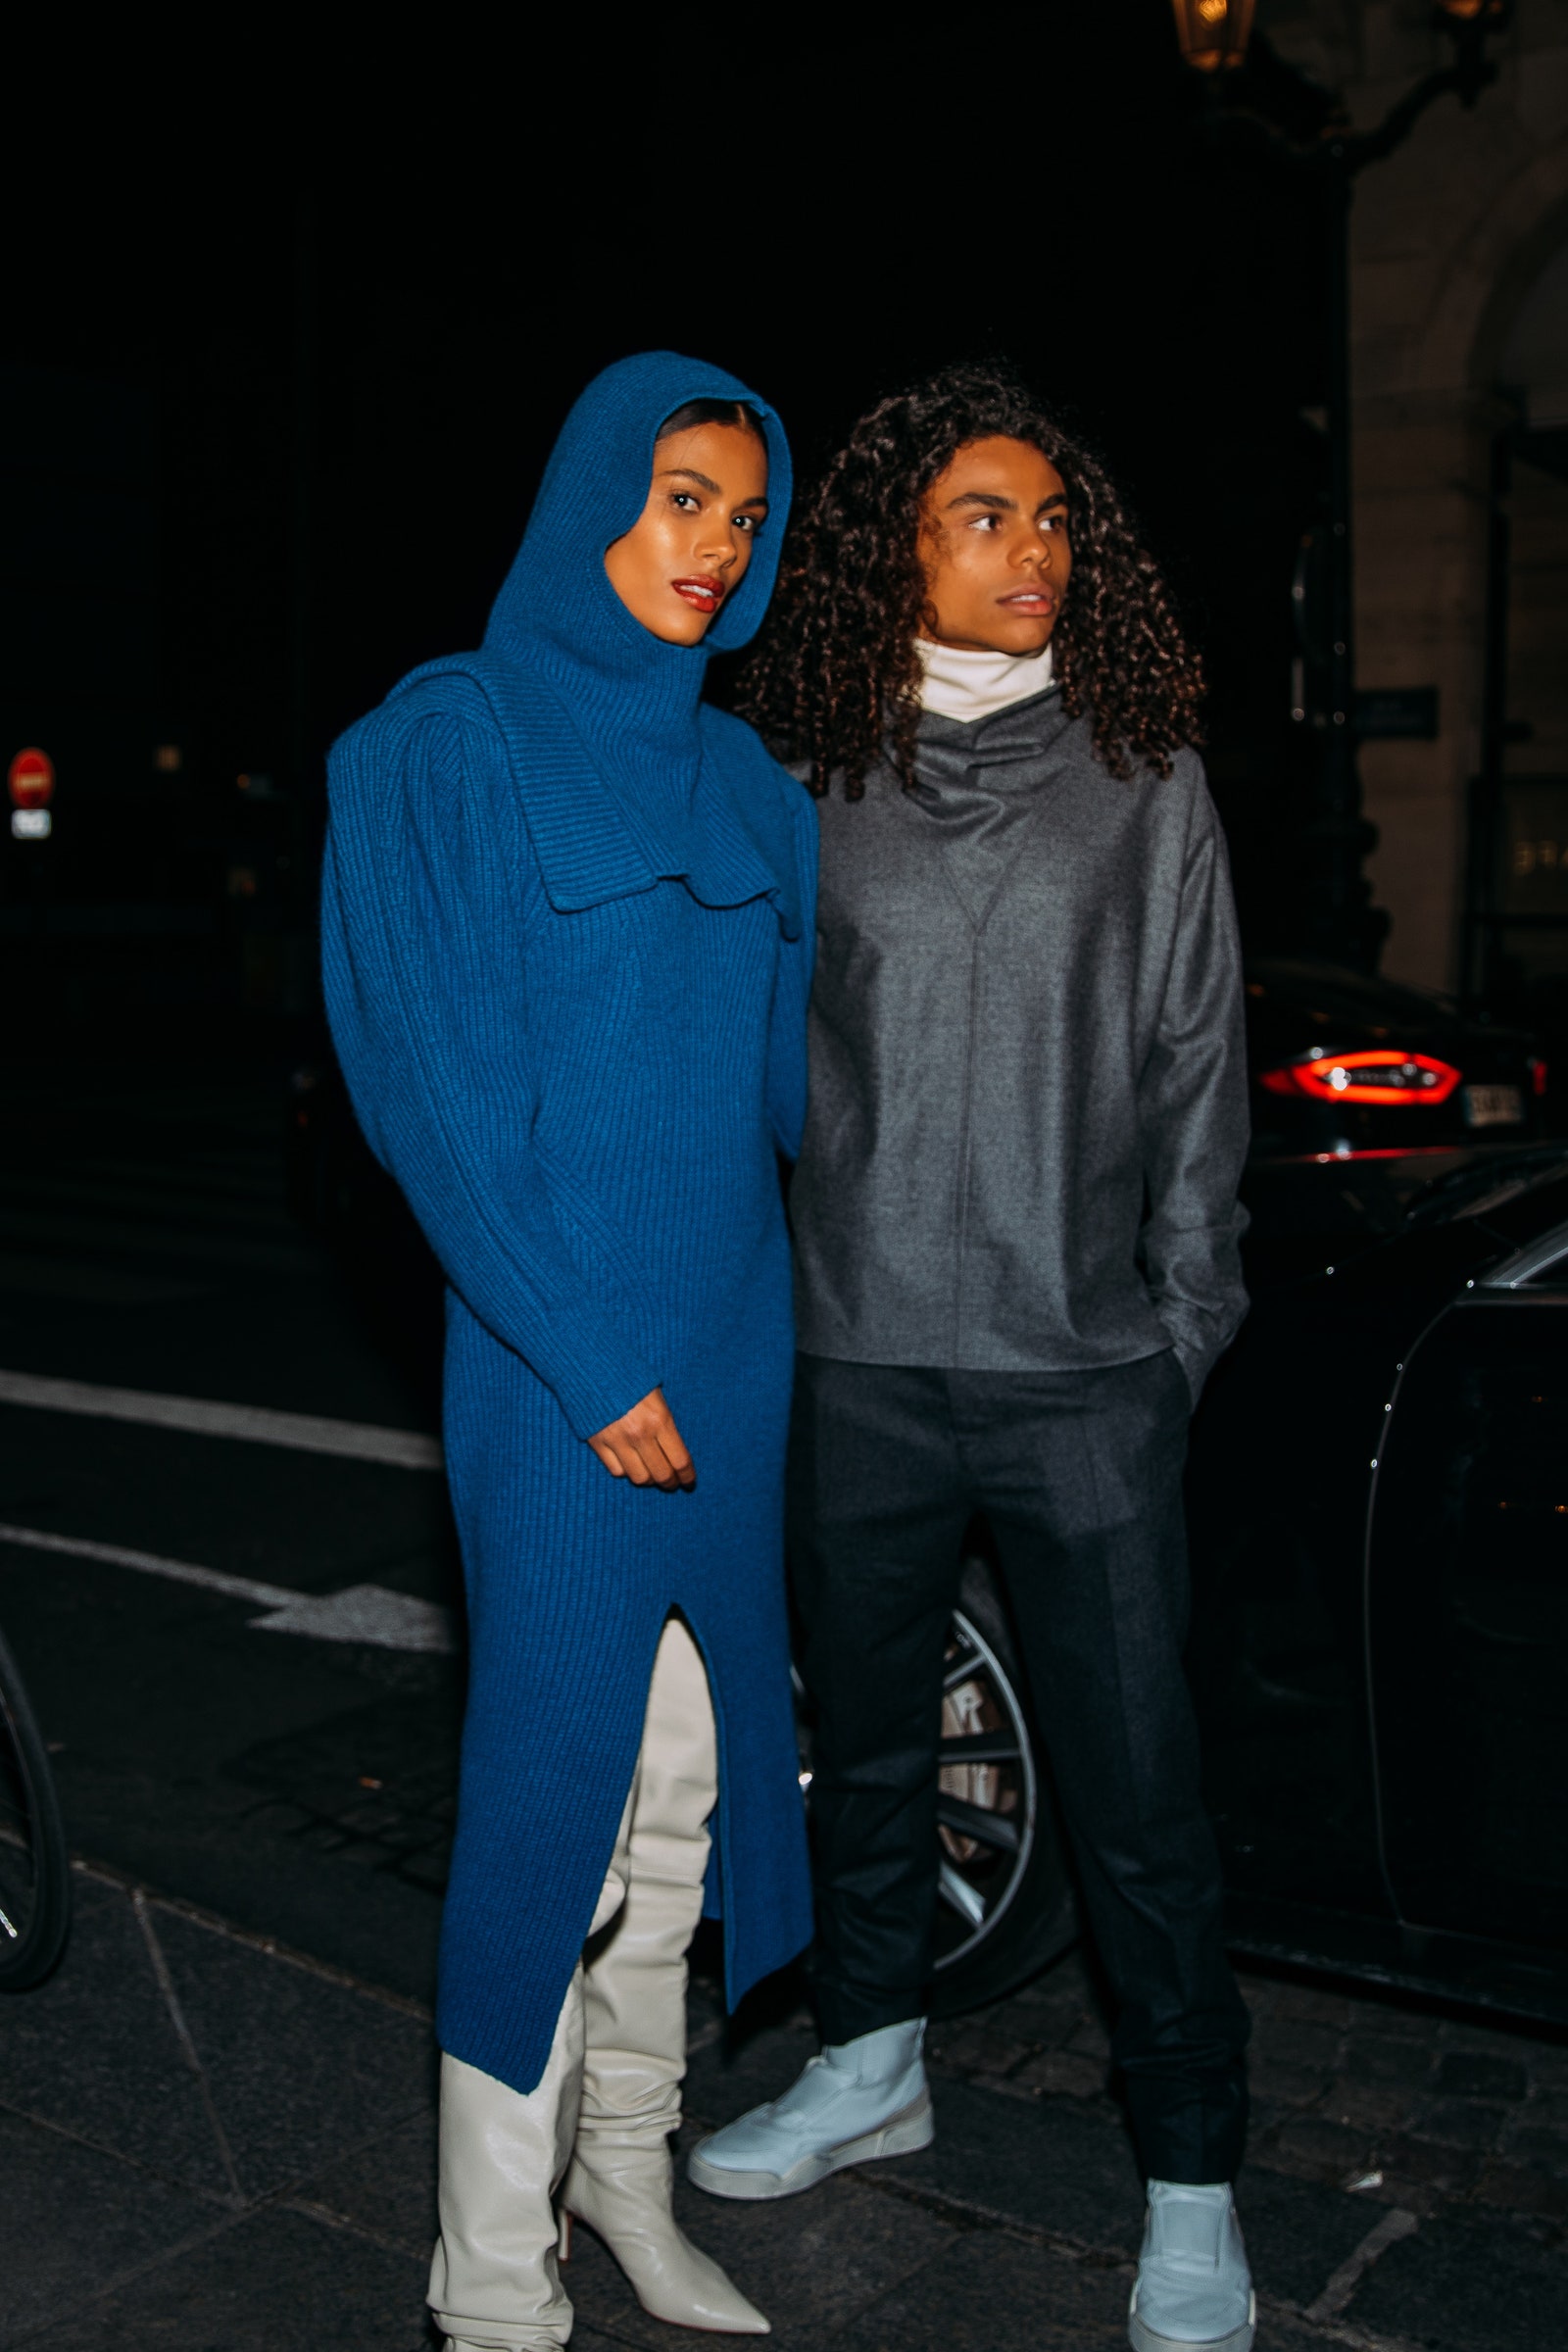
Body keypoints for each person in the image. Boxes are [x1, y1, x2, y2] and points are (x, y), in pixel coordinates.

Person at [689, 363, 1257, 2352]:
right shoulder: (807, 783)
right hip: (854, 1362)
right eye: (985, 517)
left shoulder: (1142, 774)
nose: (1037, 551)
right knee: (866, 1754)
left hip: (1080, 1375)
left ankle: (1191, 2178)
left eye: (1054, 517)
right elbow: (747, 1064)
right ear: (895, 553)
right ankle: (871, 2061)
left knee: (1136, 1793)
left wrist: (1179, 1335)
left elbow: (1199, 1069)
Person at [322, 353, 816, 2352]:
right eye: (683, 496)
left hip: (739, 1354)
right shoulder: (444, 741)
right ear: (594, 492)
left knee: (684, 1801)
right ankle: (493, 2280)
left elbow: (787, 1106)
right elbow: (432, 1104)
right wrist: (588, 1358)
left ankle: (627, 2178)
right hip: (562, 1374)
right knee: (554, 1812)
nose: (715, 546)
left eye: (744, 518)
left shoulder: (755, 783)